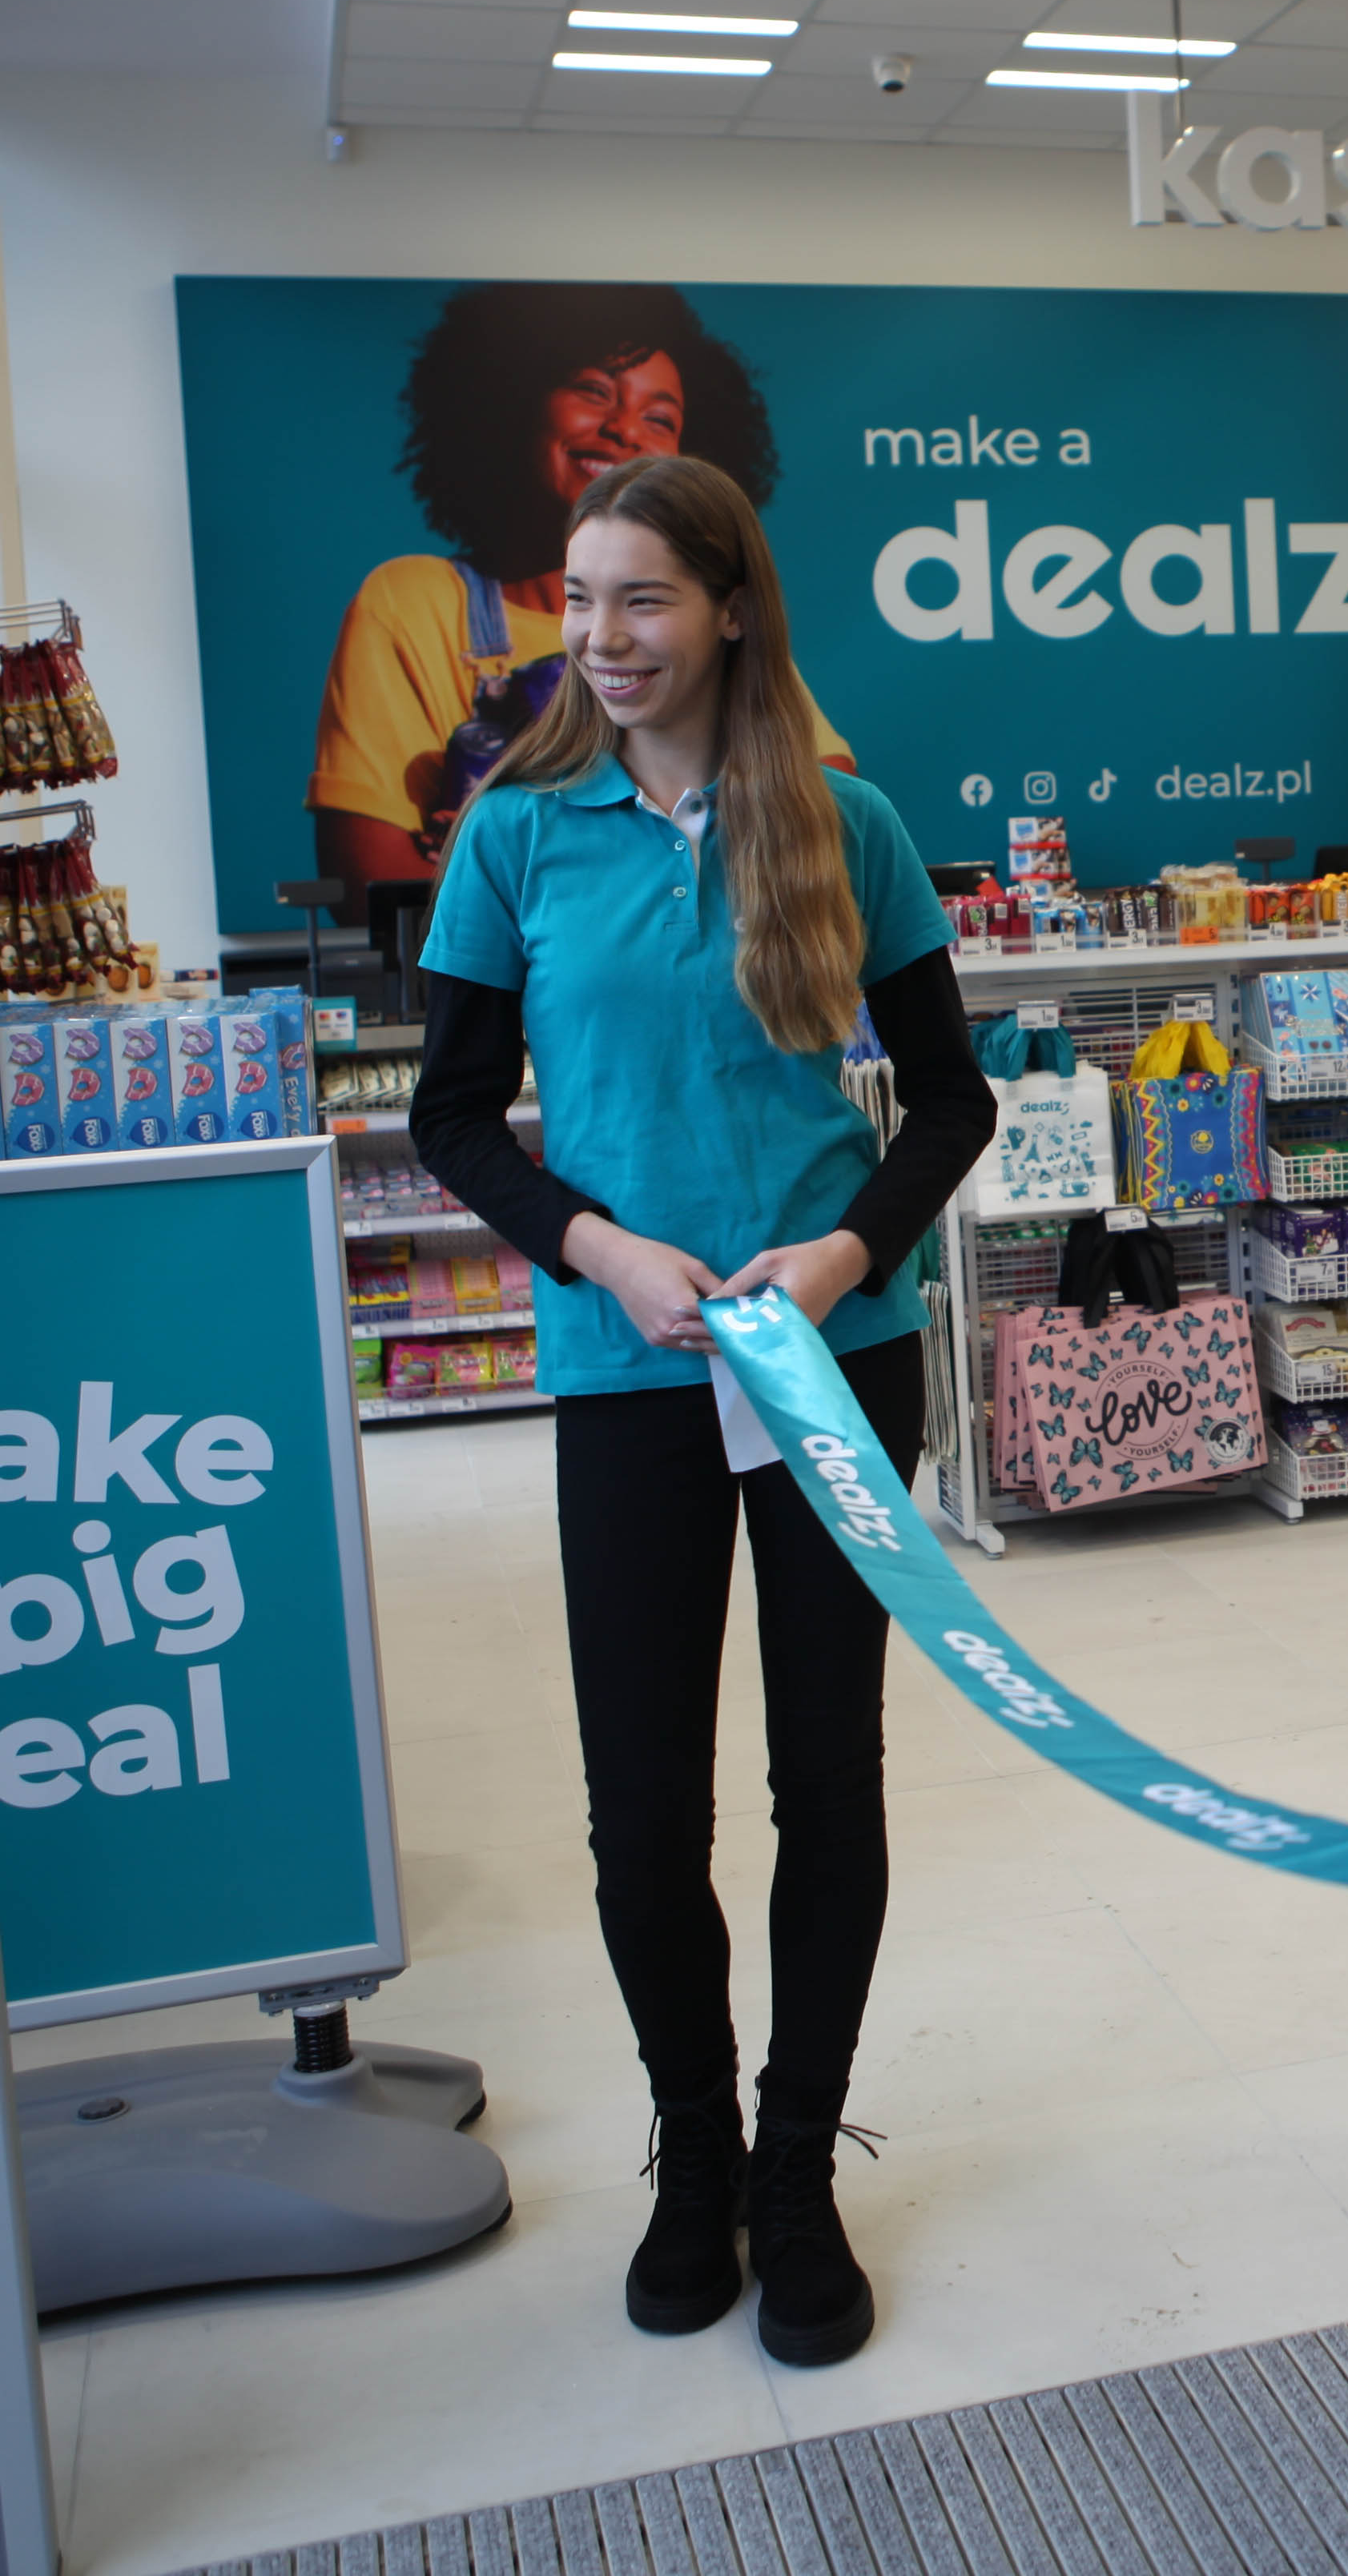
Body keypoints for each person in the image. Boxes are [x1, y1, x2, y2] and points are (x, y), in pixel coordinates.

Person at [404, 452, 991, 2365]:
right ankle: (697, 2148)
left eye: (640, 596)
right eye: (579, 597)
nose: (600, 634)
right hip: (629, 1373)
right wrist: (596, 1248)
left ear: (732, 606)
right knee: (642, 1809)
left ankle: (800, 2166)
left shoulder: (843, 817)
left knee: (829, 1778)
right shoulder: (517, 832)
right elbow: (447, 1116)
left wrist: (841, 1254)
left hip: (833, 1361)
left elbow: (953, 1096)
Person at [312, 282, 843, 890]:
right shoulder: (413, 602)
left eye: (659, 418)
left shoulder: (707, 620)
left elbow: (820, 812)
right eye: (593, 392)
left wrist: (516, 851)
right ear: (511, 404)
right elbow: (373, 879)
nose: (625, 430)